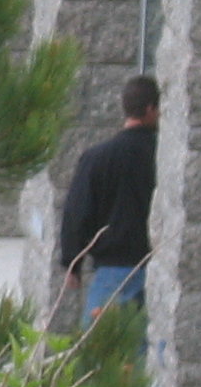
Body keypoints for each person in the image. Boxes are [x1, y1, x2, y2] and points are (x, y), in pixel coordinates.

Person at [58, 73, 160, 323]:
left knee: (101, 352)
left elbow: (77, 211)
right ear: (150, 108)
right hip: (157, 266)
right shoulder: (162, 155)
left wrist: (73, 260)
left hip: (112, 271)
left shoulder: (97, 158)